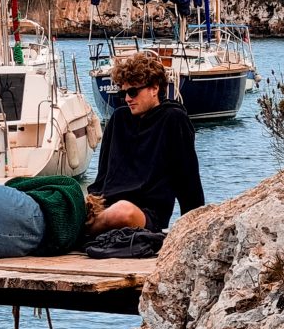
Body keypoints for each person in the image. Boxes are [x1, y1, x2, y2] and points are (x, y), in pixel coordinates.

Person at [86, 53, 204, 237]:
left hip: (146, 213)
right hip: (108, 206)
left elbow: (188, 179)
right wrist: (89, 205)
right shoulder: (118, 119)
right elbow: (103, 176)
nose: (127, 98)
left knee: (122, 211)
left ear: (154, 88)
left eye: (133, 92)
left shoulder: (173, 119)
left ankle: (82, 232)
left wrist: (195, 227)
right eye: (123, 93)